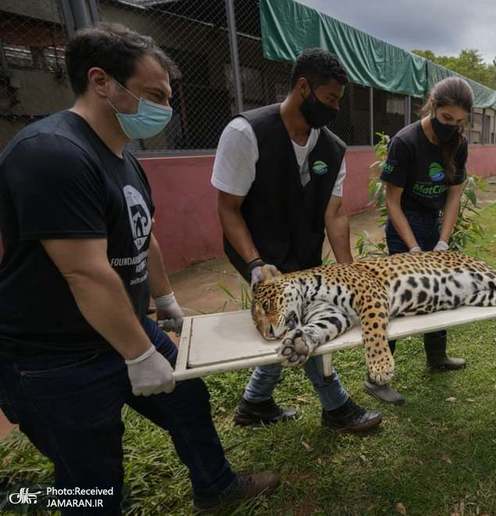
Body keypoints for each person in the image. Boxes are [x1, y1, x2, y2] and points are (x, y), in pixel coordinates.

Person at [0, 24, 277, 513]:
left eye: (168, 97)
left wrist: (165, 299)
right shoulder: (52, 154)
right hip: (56, 356)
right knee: (92, 479)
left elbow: (143, 236)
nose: (164, 108)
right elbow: (84, 272)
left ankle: (216, 488)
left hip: (126, 329)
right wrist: (137, 353)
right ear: (102, 81)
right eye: (153, 94)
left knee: (188, 402)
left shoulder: (123, 158)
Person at [211, 48, 381, 432]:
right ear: (303, 87)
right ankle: (337, 408)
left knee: (291, 322)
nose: (335, 108)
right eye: (330, 98)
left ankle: (254, 403)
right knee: (300, 322)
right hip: (259, 253)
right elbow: (228, 208)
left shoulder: (332, 148)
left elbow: (334, 214)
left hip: (304, 251)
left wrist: (348, 272)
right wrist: (255, 263)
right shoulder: (246, 133)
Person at [363, 76, 474, 405]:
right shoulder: (405, 142)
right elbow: (392, 203)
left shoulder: (459, 142)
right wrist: (412, 249)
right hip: (404, 225)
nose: (452, 127)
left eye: (459, 122)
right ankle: (376, 378)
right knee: (398, 300)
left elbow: (454, 196)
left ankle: (437, 357)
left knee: (437, 293)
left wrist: (442, 242)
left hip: (433, 223)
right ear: (433, 107)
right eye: (446, 119)